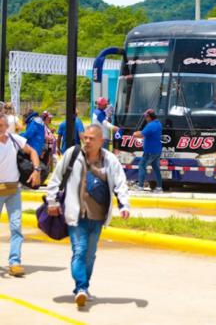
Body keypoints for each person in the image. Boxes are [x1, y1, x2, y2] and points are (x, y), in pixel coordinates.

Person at [45, 124, 130, 307]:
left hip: (98, 217)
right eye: (86, 138)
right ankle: (81, 288)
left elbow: (120, 183)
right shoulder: (73, 154)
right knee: (79, 250)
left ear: (101, 141)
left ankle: (83, 286)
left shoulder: (110, 160)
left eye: (92, 139)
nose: (88, 141)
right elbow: (56, 178)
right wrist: (51, 201)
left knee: (90, 255)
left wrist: (124, 205)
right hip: (76, 215)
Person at [0, 113, 41, 277]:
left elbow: (32, 152)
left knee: (16, 227)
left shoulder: (15, 140)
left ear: (6, 126)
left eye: (2, 126)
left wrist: (36, 170)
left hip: (13, 191)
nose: (0, 129)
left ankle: (15, 262)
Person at [133, 109, 163, 193]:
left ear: (150, 117)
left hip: (150, 151)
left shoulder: (151, 125)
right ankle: (159, 188)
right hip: (157, 151)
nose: (145, 118)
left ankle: (140, 187)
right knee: (156, 168)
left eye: (146, 116)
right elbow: (145, 133)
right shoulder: (158, 124)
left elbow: (141, 134)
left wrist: (135, 134)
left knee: (142, 166)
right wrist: (140, 132)